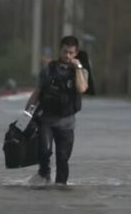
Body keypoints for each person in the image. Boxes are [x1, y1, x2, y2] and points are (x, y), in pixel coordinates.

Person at [25, 36, 88, 184]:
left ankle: (60, 189)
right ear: (59, 50)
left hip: (67, 123)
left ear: (76, 53)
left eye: (71, 53)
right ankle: (44, 178)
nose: (67, 56)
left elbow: (82, 88)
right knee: (44, 152)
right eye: (65, 52)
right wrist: (26, 115)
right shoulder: (48, 70)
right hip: (46, 120)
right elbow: (37, 93)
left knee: (63, 160)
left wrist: (78, 68)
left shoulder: (80, 71)